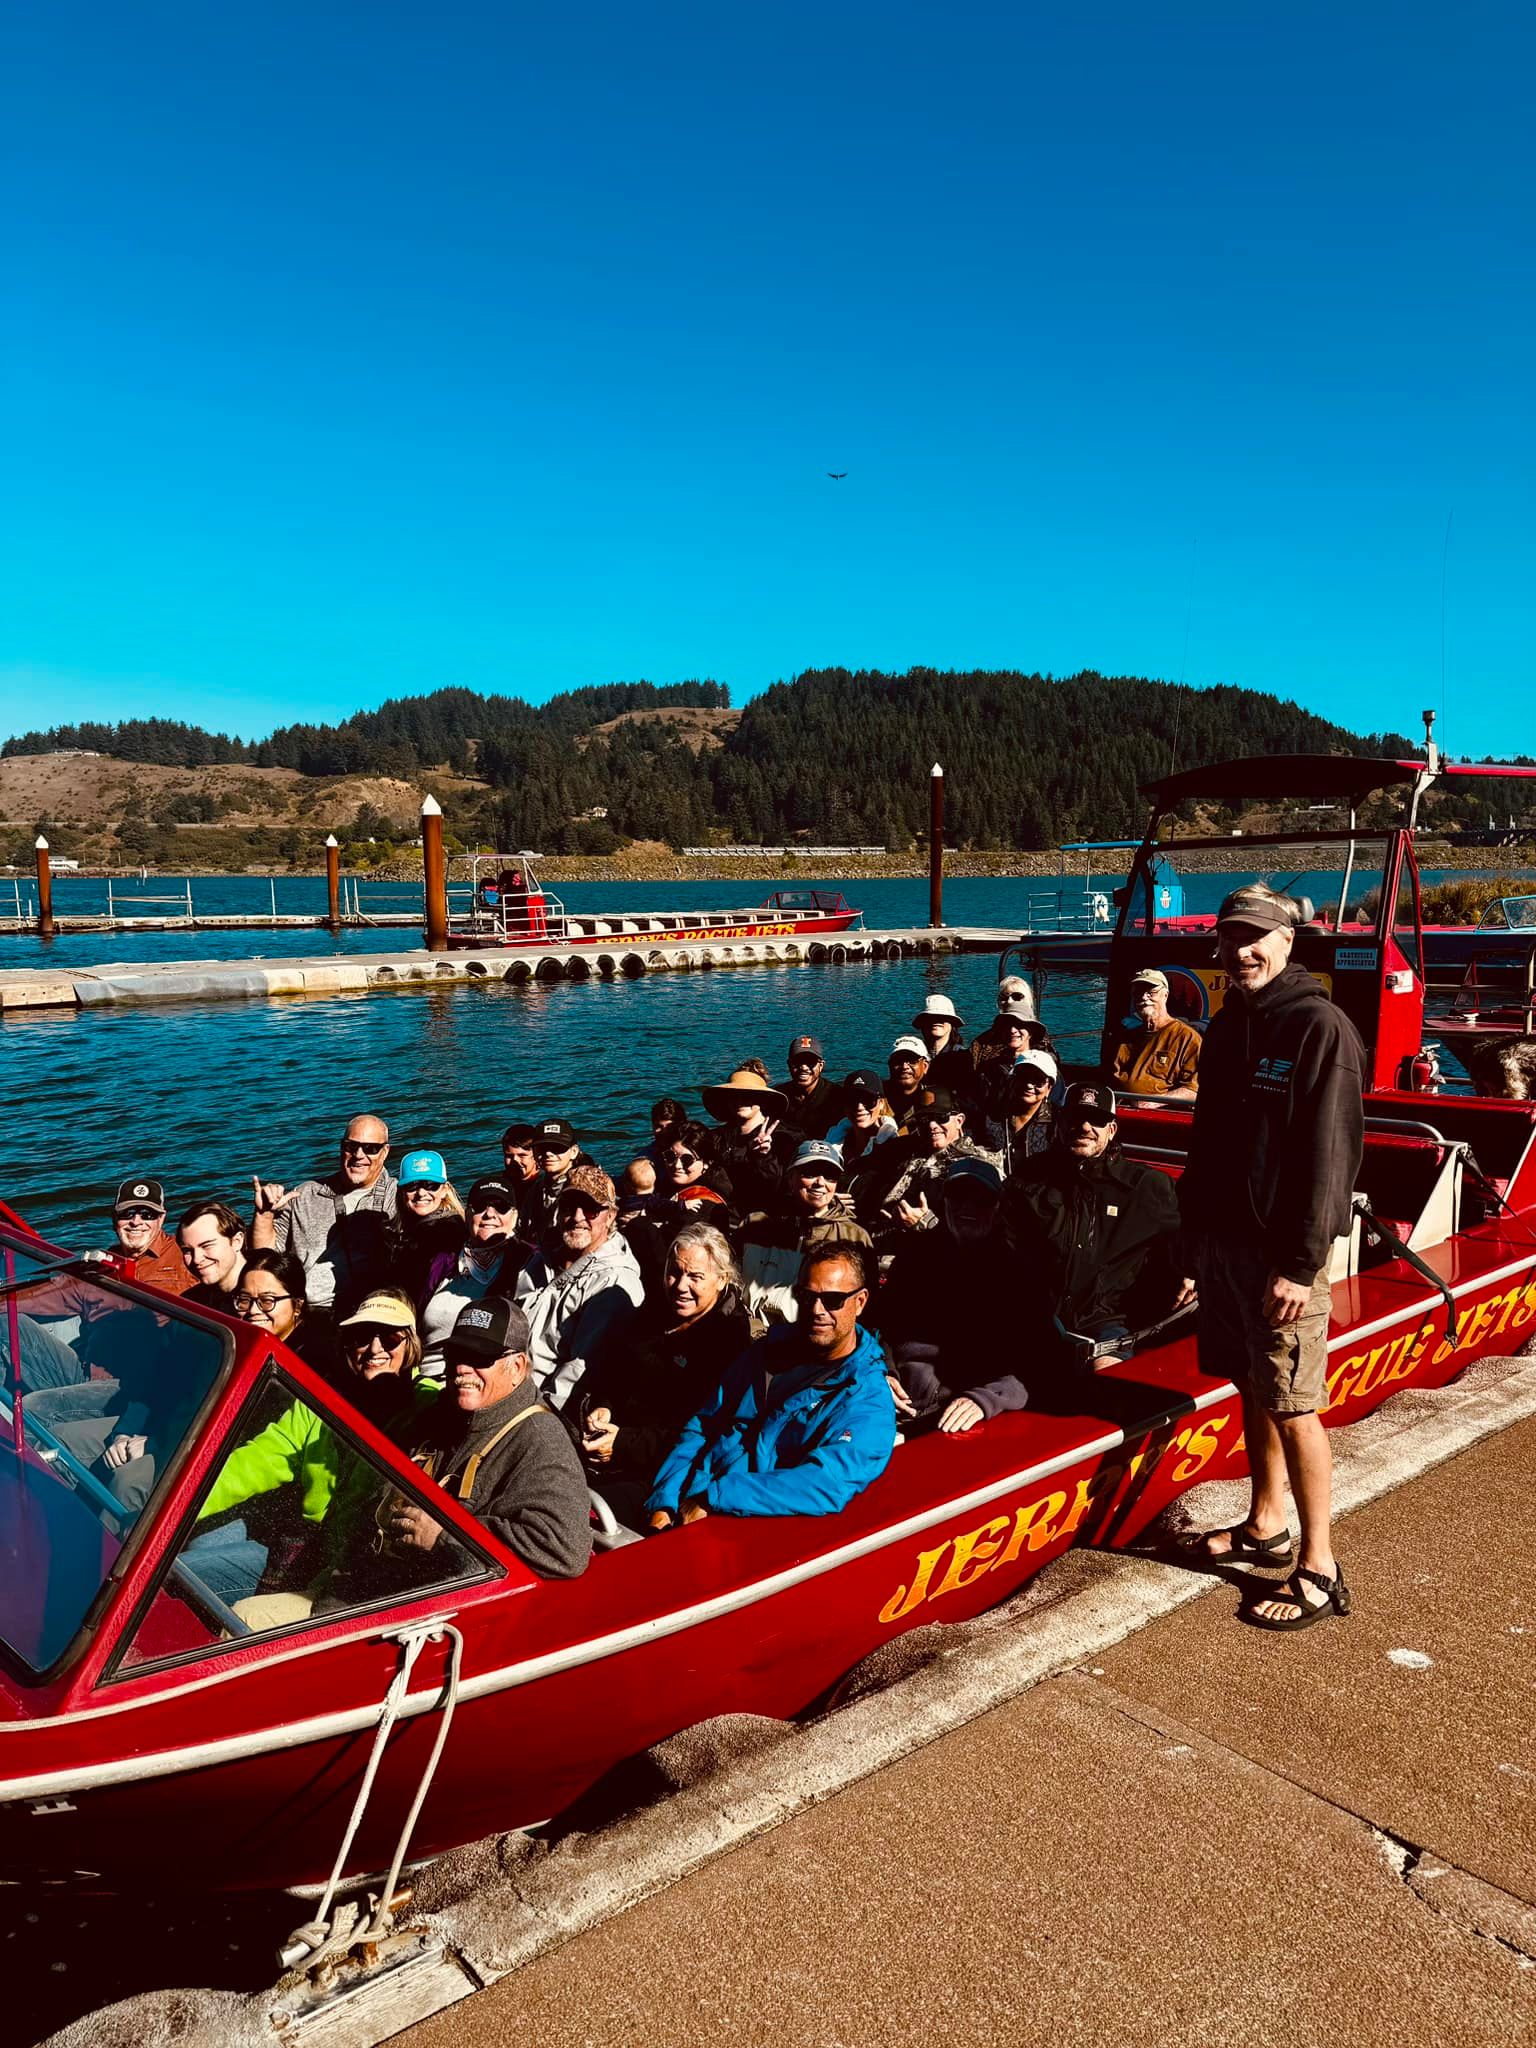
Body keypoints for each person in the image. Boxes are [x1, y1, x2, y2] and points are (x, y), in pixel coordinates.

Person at [1178, 884, 1364, 1630]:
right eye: (1230, 938)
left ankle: (1319, 1564)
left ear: (1289, 942)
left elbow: (1330, 1158)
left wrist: (1299, 1260)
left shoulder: (1318, 1027)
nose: (1242, 951)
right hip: (1225, 1244)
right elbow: (1208, 1140)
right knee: (1252, 1386)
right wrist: (1194, 1234)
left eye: (1257, 937)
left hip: (1282, 1256)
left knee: (1294, 1404)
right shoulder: (1227, 1027)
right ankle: (1265, 1524)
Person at [184, 1283, 431, 1605]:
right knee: (187, 1560)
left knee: (223, 1592)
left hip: (360, 1566)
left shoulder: (426, 1403)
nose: (374, 1348)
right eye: (362, 1336)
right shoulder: (324, 1399)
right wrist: (182, 1497)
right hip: (307, 1544)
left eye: (390, 1337)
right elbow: (258, 1459)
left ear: (410, 1344)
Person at [645, 1246, 894, 1525]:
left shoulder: (866, 1398)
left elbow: (826, 1483)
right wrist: (664, 1501)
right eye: (806, 1296)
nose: (816, 1309)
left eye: (833, 1300)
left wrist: (714, 1497)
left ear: (860, 1302)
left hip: (751, 1520)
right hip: (692, 1499)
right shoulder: (767, 1352)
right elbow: (704, 1424)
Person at [397, 1295, 591, 1578]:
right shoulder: (440, 1414)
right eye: (456, 1355)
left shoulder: (540, 1440)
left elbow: (565, 1551)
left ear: (517, 1367)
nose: (462, 1368)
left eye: (479, 1357)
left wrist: (446, 1535)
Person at [576, 1223, 754, 1512]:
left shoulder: (727, 1342)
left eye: (695, 1277)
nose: (681, 1286)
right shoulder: (653, 1313)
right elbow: (613, 1373)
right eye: (674, 1272)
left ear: (721, 1280)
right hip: (609, 1442)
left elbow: (699, 1433)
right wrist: (604, 1407)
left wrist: (622, 1444)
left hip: (661, 1472)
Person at [1009, 1083, 1185, 1362]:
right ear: (1060, 1121)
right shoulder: (1028, 1178)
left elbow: (1189, 1235)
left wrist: (1191, 1272)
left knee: (1106, 1375)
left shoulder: (1145, 1187)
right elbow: (1004, 1244)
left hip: (1106, 1322)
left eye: (1097, 1121)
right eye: (1075, 1118)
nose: (1085, 1127)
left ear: (1112, 1129)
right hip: (1035, 1314)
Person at [878, 1159, 1033, 1433]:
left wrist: (988, 1398)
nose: (968, 1207)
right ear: (945, 1201)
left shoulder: (1017, 1273)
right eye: (958, 1196)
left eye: (981, 1199)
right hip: (896, 1404)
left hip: (967, 1416)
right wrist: (881, 1375)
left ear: (997, 1207)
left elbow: (1038, 1358)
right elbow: (882, 1327)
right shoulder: (914, 1258)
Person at [512, 1165, 645, 1411]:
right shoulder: (542, 1257)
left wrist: (540, 1415)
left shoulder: (613, 1281)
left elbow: (578, 1370)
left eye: (592, 1209)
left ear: (612, 1215)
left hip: (541, 1407)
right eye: (569, 1206)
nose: (577, 1217)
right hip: (507, 1383)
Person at [249, 1113, 397, 1312]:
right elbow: (265, 1257)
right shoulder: (305, 1194)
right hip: (302, 1309)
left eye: (370, 1148)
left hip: (366, 1310)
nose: (359, 1155)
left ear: (385, 1152)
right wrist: (264, 1214)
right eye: (351, 1146)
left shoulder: (397, 1196)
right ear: (341, 1148)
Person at [740, 1139, 874, 1329]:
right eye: (809, 1173)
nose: (820, 1183)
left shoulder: (855, 1237)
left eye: (830, 1176)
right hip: (749, 1335)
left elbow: (866, 1308)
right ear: (790, 1178)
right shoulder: (754, 1225)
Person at [861, 1086, 998, 1257]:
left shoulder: (978, 1165)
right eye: (924, 1119)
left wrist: (925, 1222)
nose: (932, 1125)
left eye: (941, 1117)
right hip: (870, 1245)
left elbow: (978, 1232)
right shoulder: (902, 1151)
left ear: (959, 1120)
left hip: (929, 1256)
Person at [418, 1177, 534, 1375]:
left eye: (501, 1207)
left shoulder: (528, 1262)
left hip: (480, 1378)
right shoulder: (444, 1260)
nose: (489, 1214)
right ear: (467, 1214)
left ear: (514, 1217)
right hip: (424, 1372)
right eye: (481, 1206)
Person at [624, 1122, 735, 1296]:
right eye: (670, 1156)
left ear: (707, 1163)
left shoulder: (701, 1205)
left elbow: (668, 1259)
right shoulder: (673, 1189)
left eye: (687, 1159)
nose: (676, 1165)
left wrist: (640, 1223)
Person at [701, 1066, 798, 1216]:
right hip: (721, 1213)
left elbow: (780, 1186)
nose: (740, 1100)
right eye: (734, 1094)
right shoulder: (716, 1136)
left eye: (748, 1094)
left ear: (762, 1099)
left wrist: (763, 1156)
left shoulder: (785, 1137)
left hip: (765, 1218)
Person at [386, 1149, 467, 1304]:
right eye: (412, 1185)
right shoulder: (407, 1232)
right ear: (402, 1192)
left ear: (445, 1190)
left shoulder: (447, 1234)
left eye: (431, 1185)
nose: (421, 1192)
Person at [1111, 969, 1202, 1098]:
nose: (1143, 997)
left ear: (1165, 995)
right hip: (1121, 1107)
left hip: (1160, 1113)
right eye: (1138, 993)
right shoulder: (1126, 1038)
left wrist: (1153, 1103)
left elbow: (1194, 1090)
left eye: (1151, 993)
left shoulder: (1187, 1038)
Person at [526, 1118, 601, 1243]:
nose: (548, 1153)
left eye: (557, 1148)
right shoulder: (538, 1187)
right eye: (542, 1148)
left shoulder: (588, 1186)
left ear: (574, 1152)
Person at [178, 1200, 248, 1311]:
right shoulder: (191, 1303)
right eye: (187, 1251)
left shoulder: (271, 1292)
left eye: (207, 1245)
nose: (196, 1259)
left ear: (236, 1242)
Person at [999, 1050, 1060, 1175]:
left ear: (1049, 1088)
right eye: (1023, 1076)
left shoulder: (1058, 1122)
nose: (1028, 1085)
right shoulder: (993, 1113)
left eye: (1038, 1080)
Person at [826, 1069, 900, 1171]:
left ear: (881, 1103)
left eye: (869, 1100)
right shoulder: (833, 1140)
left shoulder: (894, 1149)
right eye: (852, 1100)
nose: (859, 1107)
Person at [911, 994, 974, 1100]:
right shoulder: (913, 1056)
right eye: (930, 1017)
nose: (936, 1020)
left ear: (952, 1023)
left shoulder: (963, 1057)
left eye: (942, 1017)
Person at [778, 1035, 840, 1139]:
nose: (804, 1067)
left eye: (810, 1062)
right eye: (797, 1061)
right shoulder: (778, 1097)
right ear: (789, 1064)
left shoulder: (838, 1097)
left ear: (821, 1065)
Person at [884, 1035, 932, 1137]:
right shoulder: (876, 1099)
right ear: (890, 1066)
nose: (905, 1067)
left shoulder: (935, 1100)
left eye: (912, 1061)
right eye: (898, 1061)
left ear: (925, 1066)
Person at [500, 1123, 542, 1200]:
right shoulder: (500, 1185)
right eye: (509, 1156)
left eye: (522, 1155)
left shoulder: (545, 1185)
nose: (515, 1160)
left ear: (536, 1155)